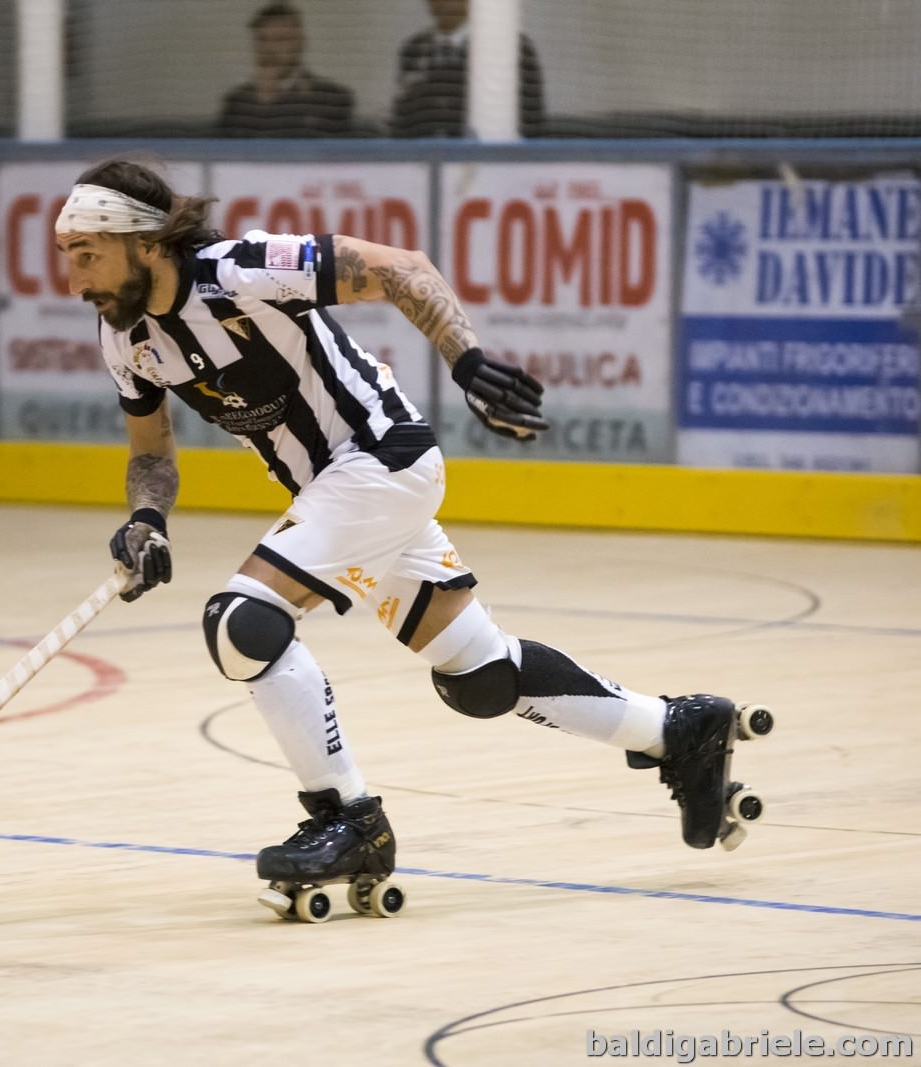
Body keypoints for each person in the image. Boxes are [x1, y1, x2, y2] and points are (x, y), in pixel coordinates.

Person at [53, 159, 766, 920]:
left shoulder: (240, 270)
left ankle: (348, 819)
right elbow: (152, 452)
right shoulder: (122, 335)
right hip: (341, 495)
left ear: (150, 241)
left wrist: (469, 361)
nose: (74, 279)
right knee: (478, 676)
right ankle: (677, 728)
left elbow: (399, 269)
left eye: (88, 254)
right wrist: (146, 521)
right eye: (68, 258)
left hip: (380, 461)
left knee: (241, 623)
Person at [388, 0, 545, 138]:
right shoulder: (414, 49)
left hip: (485, 163)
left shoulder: (513, 49)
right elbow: (401, 120)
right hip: (419, 164)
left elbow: (531, 124)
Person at [216, 3, 355, 138]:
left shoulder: (332, 99)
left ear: (301, 44)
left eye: (280, 39)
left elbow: (314, 149)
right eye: (262, 40)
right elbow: (231, 152)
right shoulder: (237, 102)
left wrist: (269, 104)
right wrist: (260, 102)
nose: (269, 49)